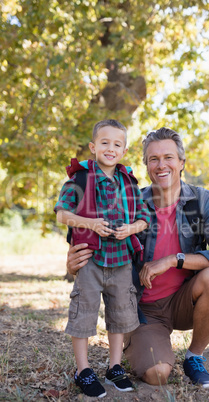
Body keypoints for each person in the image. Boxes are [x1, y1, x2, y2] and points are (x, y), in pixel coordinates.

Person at [66, 127, 209, 390]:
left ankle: (194, 356)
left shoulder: (202, 201)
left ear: (182, 162)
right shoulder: (129, 201)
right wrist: (72, 265)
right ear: (146, 165)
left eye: (169, 157)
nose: (162, 165)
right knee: (157, 374)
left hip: (185, 299)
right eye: (153, 159)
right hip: (142, 310)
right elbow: (97, 241)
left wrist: (174, 259)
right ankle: (150, 346)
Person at [55, 119, 150, 398]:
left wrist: (130, 229)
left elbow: (144, 219)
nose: (110, 148)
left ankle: (115, 367)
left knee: (120, 312)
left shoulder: (130, 183)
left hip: (121, 260)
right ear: (93, 146)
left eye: (117, 144)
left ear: (124, 150)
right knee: (84, 311)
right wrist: (91, 224)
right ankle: (83, 370)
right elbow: (62, 213)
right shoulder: (80, 179)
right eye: (104, 143)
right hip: (90, 259)